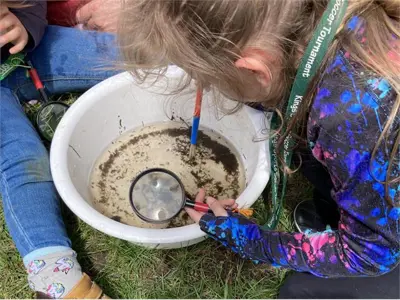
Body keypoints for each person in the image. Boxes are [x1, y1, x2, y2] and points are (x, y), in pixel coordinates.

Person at [117, 0, 400, 298]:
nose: (206, 87)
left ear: (256, 69)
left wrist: (248, 238)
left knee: (297, 292)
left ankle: (362, 220)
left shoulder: (352, 118)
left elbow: (369, 255)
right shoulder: (316, 23)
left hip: (381, 235)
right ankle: (350, 210)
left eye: (207, 79)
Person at [0, 1, 119, 298]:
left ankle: (219, 77)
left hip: (29, 53)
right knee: (24, 160)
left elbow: (32, 4)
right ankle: (56, 276)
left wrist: (24, 25)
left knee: (119, 53)